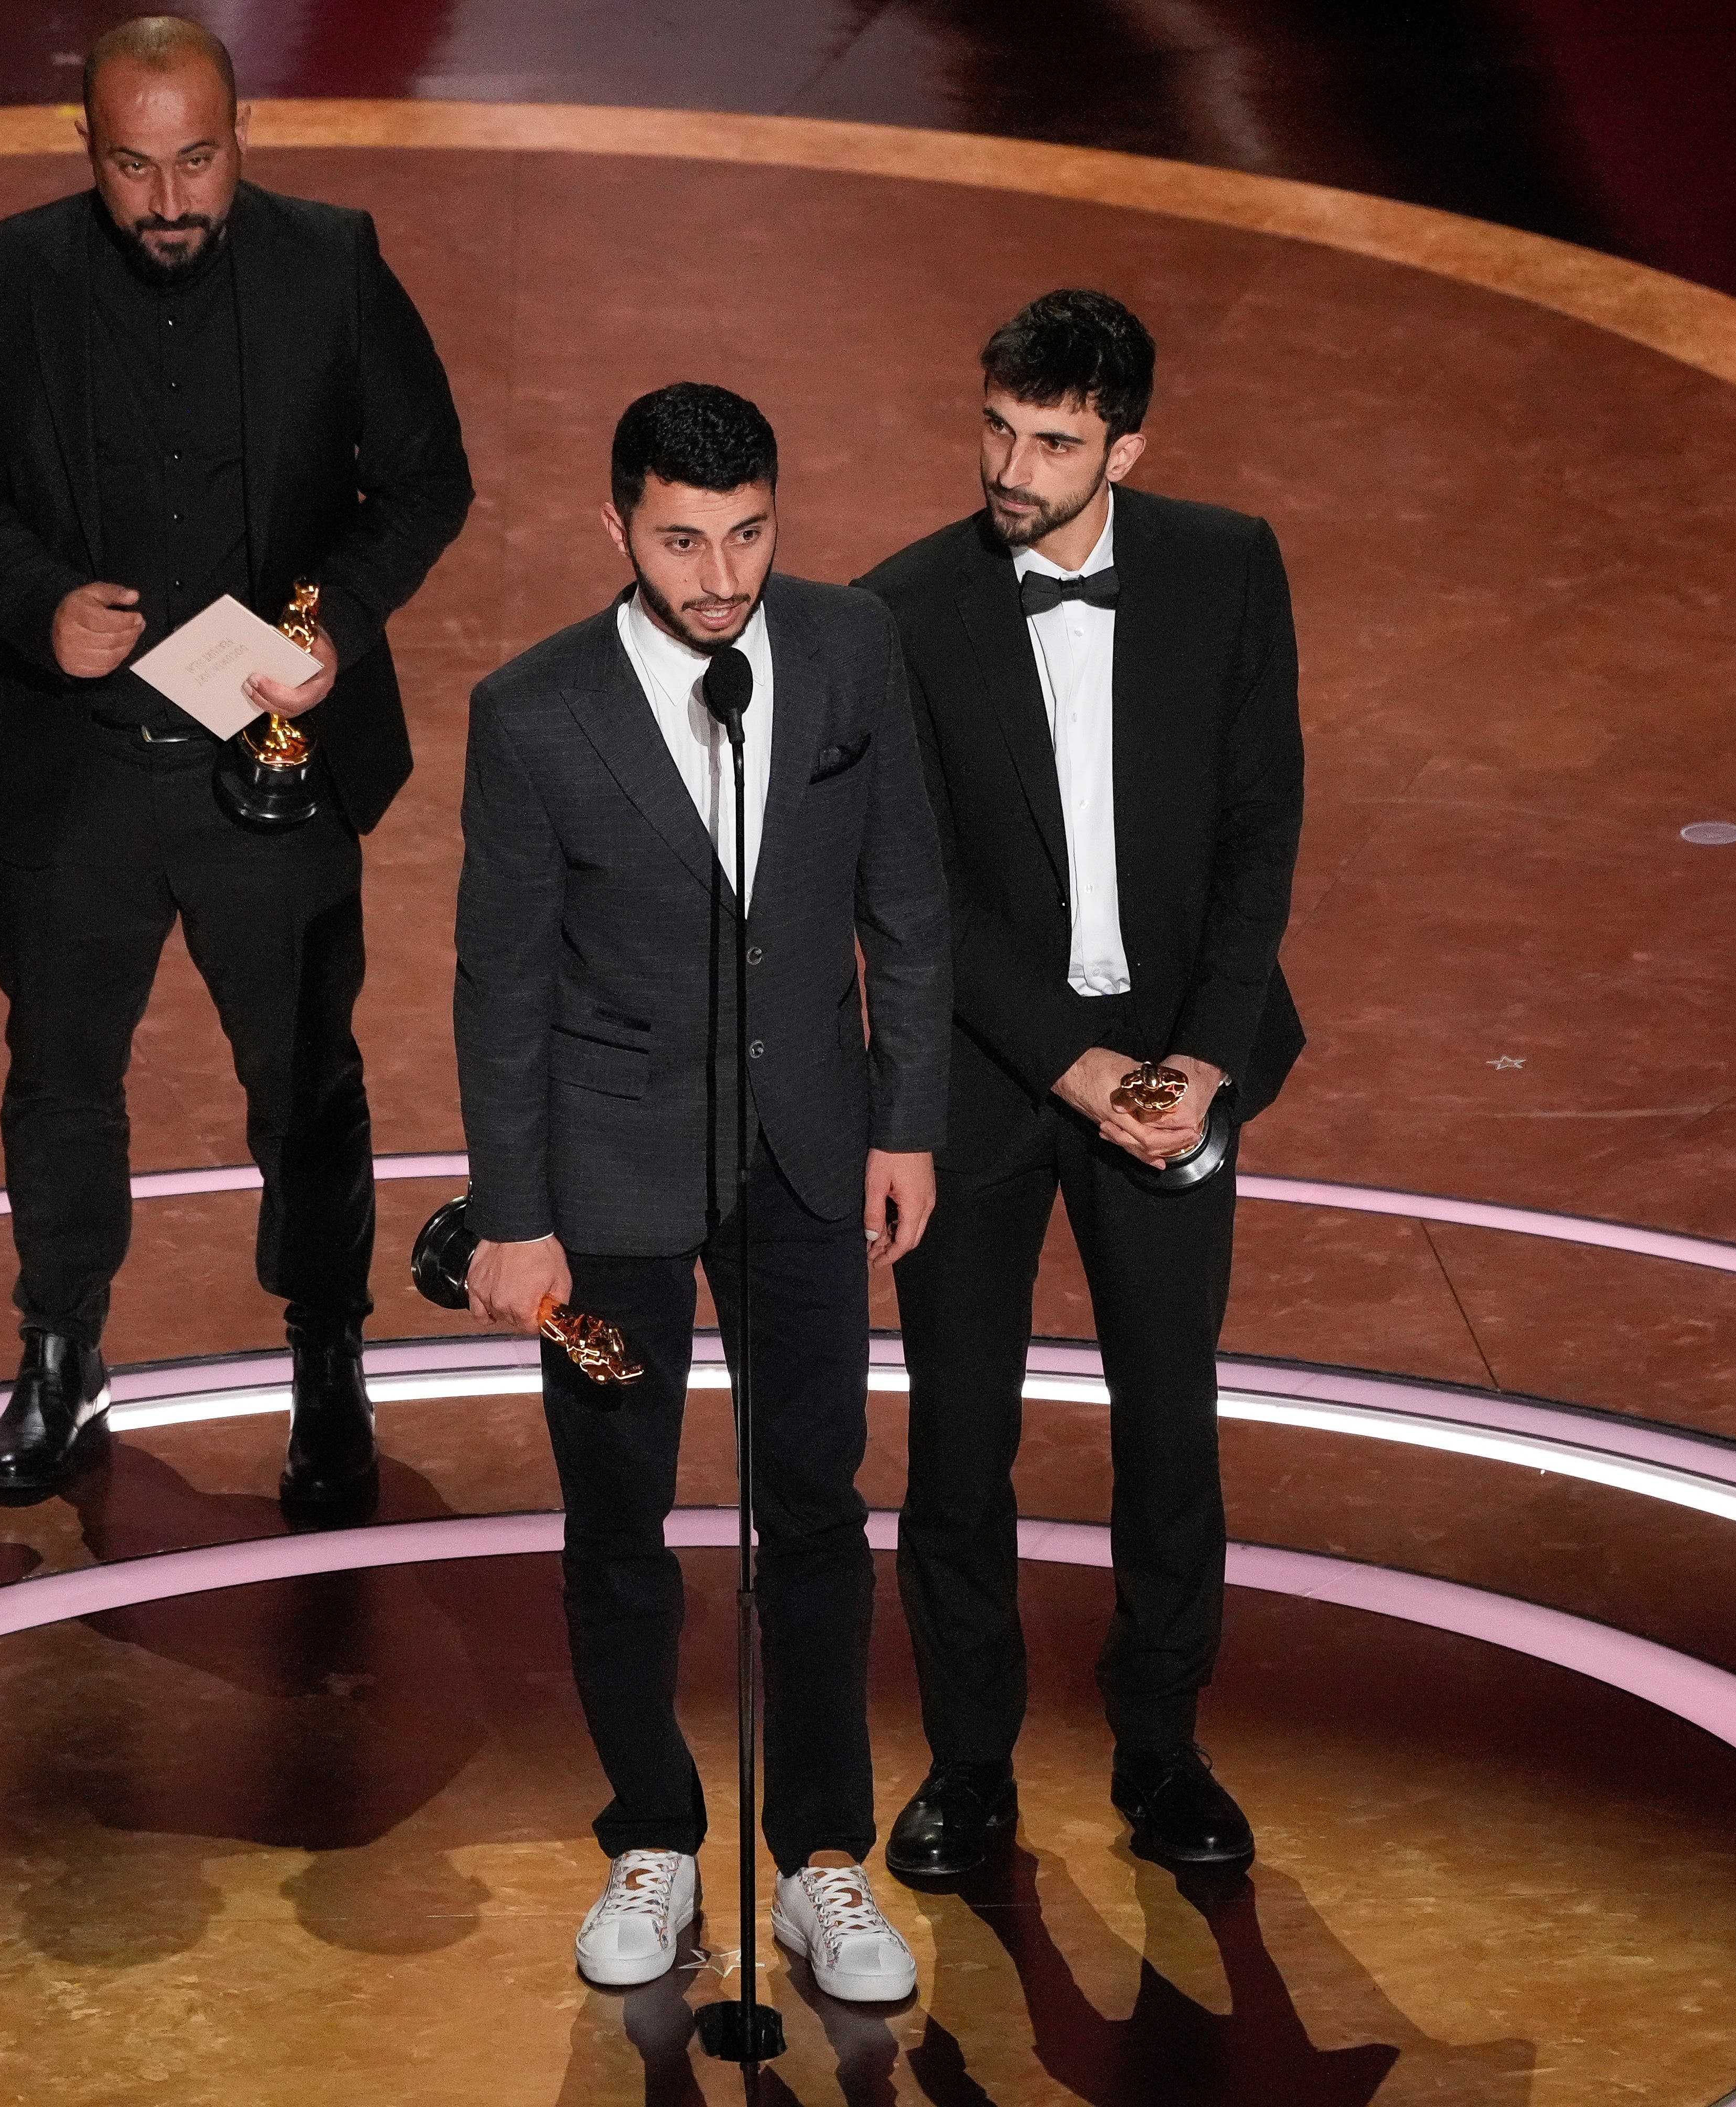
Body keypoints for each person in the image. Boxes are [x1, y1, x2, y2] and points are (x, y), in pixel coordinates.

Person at [0, 16, 472, 1518]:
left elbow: (426, 476)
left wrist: (334, 628)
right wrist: (35, 600)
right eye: (135, 167)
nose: (170, 201)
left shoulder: (332, 262)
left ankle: (327, 1359)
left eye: (198, 161)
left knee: (308, 1091)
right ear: (86, 152)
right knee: (62, 1085)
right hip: (75, 775)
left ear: (243, 136)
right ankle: (61, 1350)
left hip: (270, 778)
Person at [453, 383, 949, 1998]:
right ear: (616, 528)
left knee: (814, 1502)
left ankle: (819, 1857)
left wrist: (906, 1121)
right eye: (680, 539)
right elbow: (499, 982)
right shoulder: (533, 711)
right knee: (617, 1514)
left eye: (745, 534)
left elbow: (908, 903)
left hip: (811, 1158)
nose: (719, 574)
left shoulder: (850, 646)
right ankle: (651, 1840)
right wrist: (516, 1215)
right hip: (606, 1183)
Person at [859, 290, 1305, 1875]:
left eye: (1050, 440)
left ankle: (1161, 1750)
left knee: (1169, 1432)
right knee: (955, 1446)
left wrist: (1199, 1062)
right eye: (997, 427)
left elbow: (1261, 837)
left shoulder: (1227, 569)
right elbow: (909, 893)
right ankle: (968, 1768)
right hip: (990, 1085)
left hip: (1175, 1078)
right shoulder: (899, 608)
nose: (1011, 463)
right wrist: (1072, 1060)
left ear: (1127, 442)